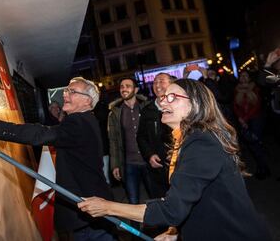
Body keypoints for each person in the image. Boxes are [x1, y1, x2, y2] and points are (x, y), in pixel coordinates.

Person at [78, 79, 272, 241]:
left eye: (172, 97)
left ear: (196, 104)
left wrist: (107, 207)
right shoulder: (186, 140)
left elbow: (172, 209)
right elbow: (190, 198)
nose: (162, 103)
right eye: (162, 98)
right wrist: (175, 232)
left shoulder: (201, 143)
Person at [0, 77, 115, 241]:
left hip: (89, 217)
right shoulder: (86, 120)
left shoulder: (78, 121)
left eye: (72, 91)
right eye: (66, 90)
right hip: (92, 214)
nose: (65, 95)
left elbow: (41, 134)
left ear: (88, 101)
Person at [108, 77, 150, 204]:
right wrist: (115, 165)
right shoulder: (115, 113)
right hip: (129, 164)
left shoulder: (147, 107)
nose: (124, 89)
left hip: (149, 161)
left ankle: (163, 224)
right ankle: (134, 225)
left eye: (127, 86)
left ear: (135, 89)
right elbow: (113, 140)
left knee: (156, 197)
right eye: (122, 86)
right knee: (133, 201)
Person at [136, 73, 173, 198]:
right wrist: (149, 155)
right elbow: (141, 137)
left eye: (161, 81)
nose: (157, 85)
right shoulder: (147, 110)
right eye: (155, 82)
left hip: (179, 166)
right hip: (157, 169)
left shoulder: (179, 106)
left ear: (171, 84)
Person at [234, 71, 270, 179]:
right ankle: (262, 166)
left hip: (256, 119)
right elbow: (235, 105)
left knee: (256, 144)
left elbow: (257, 105)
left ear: (249, 78)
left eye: (246, 75)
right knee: (251, 145)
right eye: (241, 76)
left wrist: (245, 118)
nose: (243, 77)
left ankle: (263, 168)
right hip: (243, 121)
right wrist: (240, 118)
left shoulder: (255, 88)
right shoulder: (236, 89)